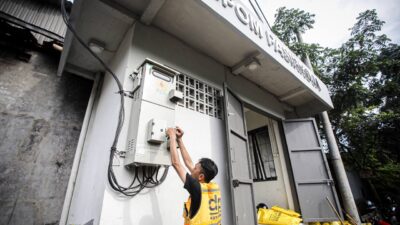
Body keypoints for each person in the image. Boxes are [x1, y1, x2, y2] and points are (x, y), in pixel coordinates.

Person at [166, 127, 221, 225]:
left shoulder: (197, 189)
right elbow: (188, 163)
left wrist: (172, 137)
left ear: (201, 177)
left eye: (195, 168)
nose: (192, 169)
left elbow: (176, 163)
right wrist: (179, 139)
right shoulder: (211, 187)